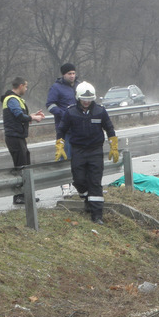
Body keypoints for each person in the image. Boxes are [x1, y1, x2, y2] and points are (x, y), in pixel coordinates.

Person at [55, 82, 119, 224]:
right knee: (79, 180)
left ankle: (97, 215)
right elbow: (62, 130)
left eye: (89, 99)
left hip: (95, 150)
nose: (86, 102)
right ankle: (86, 198)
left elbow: (109, 128)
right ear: (78, 97)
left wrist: (113, 145)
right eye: (84, 99)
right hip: (78, 150)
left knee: (95, 182)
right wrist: (60, 145)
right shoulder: (70, 112)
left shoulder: (100, 111)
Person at [1, 77, 46, 204]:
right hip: (14, 137)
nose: (26, 89)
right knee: (20, 165)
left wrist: (31, 116)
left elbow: (21, 116)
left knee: (25, 163)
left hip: (18, 136)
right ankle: (19, 196)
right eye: (25, 87)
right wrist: (33, 118)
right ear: (20, 86)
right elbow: (19, 115)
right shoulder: (12, 99)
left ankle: (25, 194)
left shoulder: (16, 99)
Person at [47, 63, 79, 161]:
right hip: (65, 130)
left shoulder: (79, 85)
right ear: (64, 75)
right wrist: (64, 114)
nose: (72, 76)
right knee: (66, 157)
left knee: (79, 156)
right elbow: (50, 105)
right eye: (69, 73)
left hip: (79, 127)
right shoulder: (56, 87)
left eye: (73, 73)